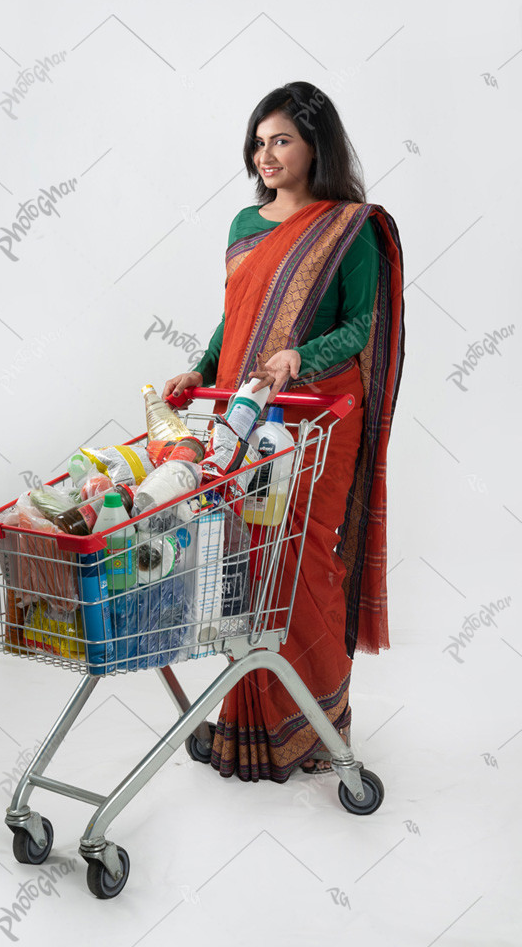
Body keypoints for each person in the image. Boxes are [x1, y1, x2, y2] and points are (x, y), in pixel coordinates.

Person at [162, 81, 405, 783]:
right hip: (248, 415)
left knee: (302, 567)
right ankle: (251, 728)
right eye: (260, 141)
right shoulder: (245, 224)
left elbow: (363, 324)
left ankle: (318, 726)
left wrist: (305, 357)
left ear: (315, 146)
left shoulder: (350, 226)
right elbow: (232, 314)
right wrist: (200, 368)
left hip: (321, 417)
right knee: (248, 568)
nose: (267, 154)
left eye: (283, 141)